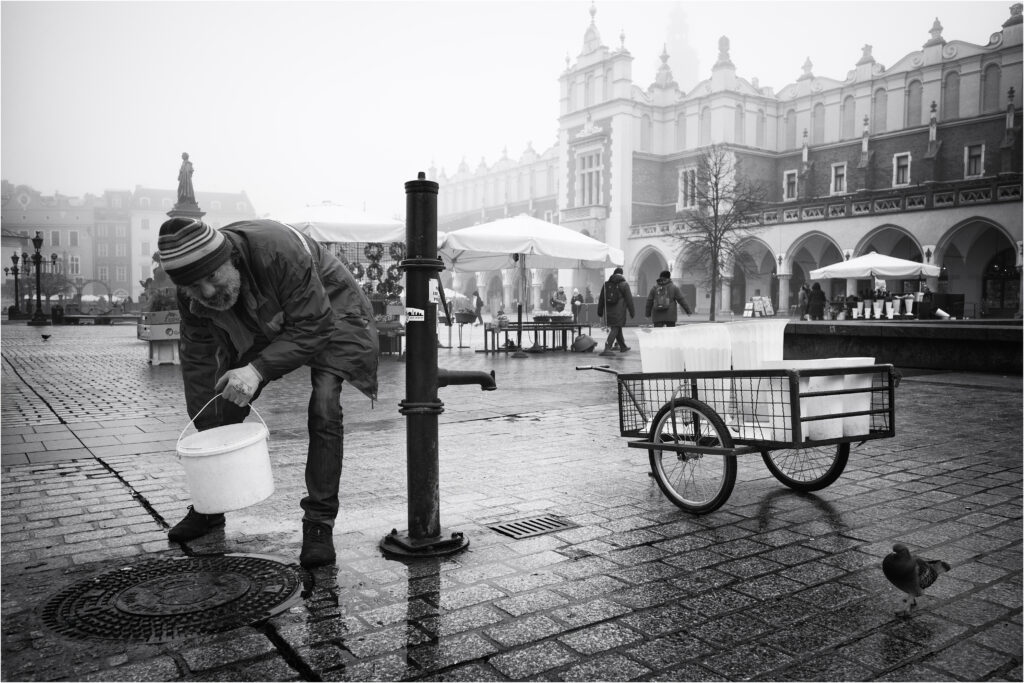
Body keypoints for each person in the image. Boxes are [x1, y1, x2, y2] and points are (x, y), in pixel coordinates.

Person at [157, 216, 378, 568]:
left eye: (212, 277)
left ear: (230, 258)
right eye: (195, 287)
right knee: (222, 403)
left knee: (324, 403)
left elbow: (314, 324)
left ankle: (319, 522)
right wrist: (208, 423)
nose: (208, 292)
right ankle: (211, 507)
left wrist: (257, 370)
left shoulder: (278, 251)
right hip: (265, 313)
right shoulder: (193, 295)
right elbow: (199, 358)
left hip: (331, 311)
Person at [597, 267, 634, 353]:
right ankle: (607, 347)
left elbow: (601, 299)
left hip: (608, 312)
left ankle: (623, 346)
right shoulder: (624, 284)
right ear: (622, 274)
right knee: (615, 328)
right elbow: (629, 300)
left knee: (617, 327)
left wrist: (600, 311)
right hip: (619, 312)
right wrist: (632, 312)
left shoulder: (606, 284)